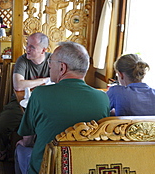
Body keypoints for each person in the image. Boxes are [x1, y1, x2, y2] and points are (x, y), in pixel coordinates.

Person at [15, 41, 110, 174]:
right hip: (84, 167)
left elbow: (28, 138)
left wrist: (24, 143)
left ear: (62, 68)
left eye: (51, 62)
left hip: (47, 169)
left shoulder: (40, 94)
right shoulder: (103, 98)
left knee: (20, 149)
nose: (49, 66)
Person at [0, 32, 51, 161]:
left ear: (44, 50)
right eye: (27, 45)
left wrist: (33, 83)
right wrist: (45, 80)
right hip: (21, 102)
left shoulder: (52, 61)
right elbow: (19, 85)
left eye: (32, 47)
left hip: (46, 104)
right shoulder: (23, 60)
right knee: (2, 124)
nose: (27, 49)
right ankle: (2, 149)